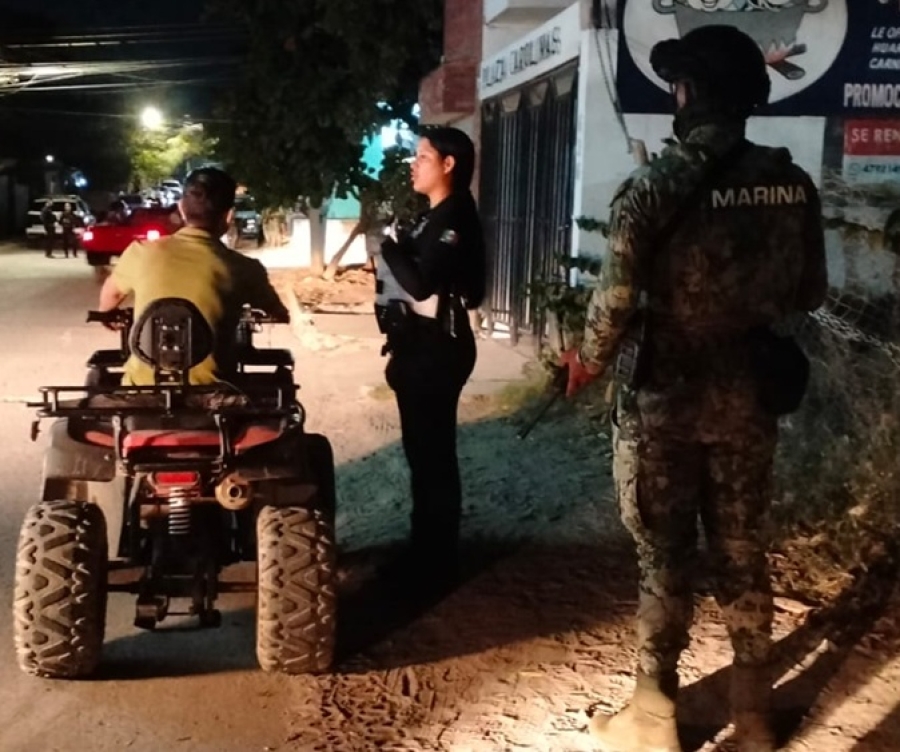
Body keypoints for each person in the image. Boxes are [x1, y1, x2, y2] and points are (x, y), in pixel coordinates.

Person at [560, 26, 828, 752]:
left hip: (665, 404)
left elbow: (615, 303)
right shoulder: (792, 185)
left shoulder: (652, 187)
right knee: (743, 552)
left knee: (664, 557)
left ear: (686, 94)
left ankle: (653, 718)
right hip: (750, 400)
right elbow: (810, 292)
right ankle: (755, 716)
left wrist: (587, 361)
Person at [375, 126, 487, 591]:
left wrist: (386, 247)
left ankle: (435, 563)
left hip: (439, 350)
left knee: (433, 456)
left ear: (448, 164)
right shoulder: (434, 216)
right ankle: (425, 552)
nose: (413, 164)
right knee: (422, 455)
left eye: (423, 157)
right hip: (419, 347)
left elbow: (421, 285)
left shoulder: (455, 216)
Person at [97, 167, 289, 386]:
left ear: (181, 208)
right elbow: (276, 312)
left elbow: (111, 296)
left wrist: (106, 313)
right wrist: (278, 313)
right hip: (215, 394)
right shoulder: (245, 268)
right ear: (229, 215)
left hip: (142, 391)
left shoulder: (140, 252)